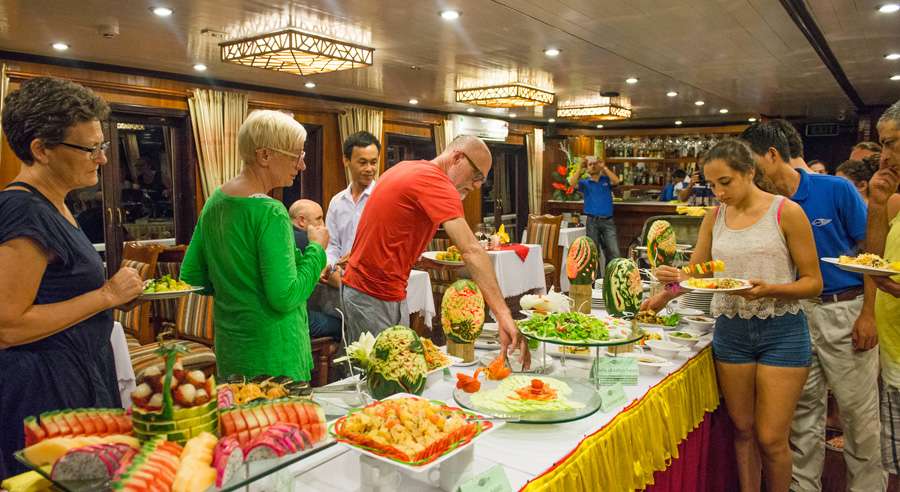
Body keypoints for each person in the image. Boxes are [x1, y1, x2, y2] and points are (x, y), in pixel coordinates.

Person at [643, 139, 821, 492]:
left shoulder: (786, 212)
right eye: (712, 185)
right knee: (742, 430)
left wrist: (769, 289)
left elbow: (813, 282)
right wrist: (666, 293)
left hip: (782, 330)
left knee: (772, 438)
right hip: (732, 330)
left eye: (725, 182)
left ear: (749, 172)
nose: (719, 193)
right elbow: (697, 273)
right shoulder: (715, 217)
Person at [0, 77, 144, 478]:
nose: (102, 158)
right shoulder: (24, 210)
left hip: (77, 374)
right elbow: (8, 325)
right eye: (90, 148)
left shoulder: (55, 205)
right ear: (41, 150)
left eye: (102, 146)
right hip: (46, 390)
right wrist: (106, 295)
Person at [740, 121, 884, 492]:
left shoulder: (834, 189)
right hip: (795, 315)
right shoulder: (766, 205)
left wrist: (868, 314)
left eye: (751, 164)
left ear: (772, 155)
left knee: (859, 417)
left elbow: (871, 254)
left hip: (843, 309)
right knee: (802, 416)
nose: (748, 174)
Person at [340, 135, 529, 366]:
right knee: (381, 375)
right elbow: (471, 250)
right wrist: (503, 316)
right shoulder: (436, 181)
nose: (478, 186)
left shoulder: (407, 168)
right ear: (457, 158)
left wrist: (416, 259)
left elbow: (390, 233)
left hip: (373, 290)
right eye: (477, 176)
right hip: (372, 293)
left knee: (395, 370)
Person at [180, 110, 329, 381]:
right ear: (265, 156)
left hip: (232, 347)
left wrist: (239, 288)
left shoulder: (214, 202)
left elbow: (192, 276)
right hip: (274, 355)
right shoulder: (270, 212)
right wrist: (316, 250)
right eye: (296, 155)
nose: (302, 165)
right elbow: (285, 297)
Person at [863, 99, 900, 478]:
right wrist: (876, 204)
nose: (884, 156)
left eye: (891, 143)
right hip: (894, 351)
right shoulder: (895, 202)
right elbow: (873, 261)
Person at [324, 131, 380, 282]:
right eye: (362, 162)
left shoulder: (384, 198)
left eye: (373, 162)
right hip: (340, 279)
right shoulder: (337, 202)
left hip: (373, 281)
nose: (369, 168)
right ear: (346, 160)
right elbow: (333, 245)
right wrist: (330, 267)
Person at [289, 199, 342, 341]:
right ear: (302, 221)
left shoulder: (285, 235)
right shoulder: (306, 241)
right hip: (297, 319)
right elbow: (332, 278)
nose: (323, 225)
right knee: (342, 324)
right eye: (319, 219)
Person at [567, 155, 621, 266]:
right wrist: (580, 168)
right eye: (590, 164)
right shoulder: (584, 183)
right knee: (593, 254)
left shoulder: (606, 180)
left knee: (614, 253)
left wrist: (604, 167)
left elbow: (616, 181)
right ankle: (596, 277)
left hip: (608, 221)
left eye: (595, 164)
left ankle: (610, 276)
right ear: (587, 168)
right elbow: (572, 183)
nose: (593, 166)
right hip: (592, 222)